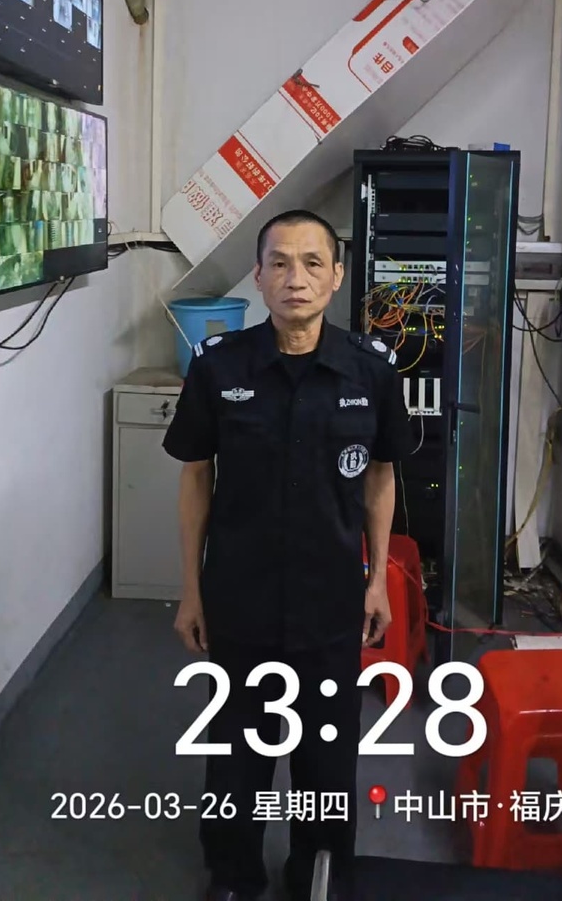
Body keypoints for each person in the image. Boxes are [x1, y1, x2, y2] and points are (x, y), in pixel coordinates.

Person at [163, 209, 413, 901]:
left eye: (311, 263)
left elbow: (381, 479)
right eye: (279, 263)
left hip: (330, 600)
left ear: (336, 278)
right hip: (238, 597)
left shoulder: (370, 370)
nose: (294, 278)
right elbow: (195, 477)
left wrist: (377, 581)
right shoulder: (219, 367)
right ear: (258, 276)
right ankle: (234, 873)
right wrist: (191, 589)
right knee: (236, 750)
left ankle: (317, 872)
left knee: (326, 755)